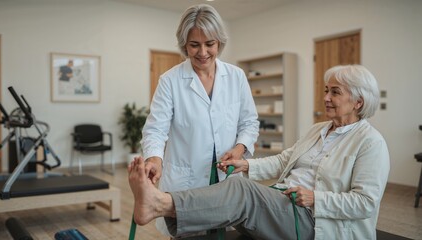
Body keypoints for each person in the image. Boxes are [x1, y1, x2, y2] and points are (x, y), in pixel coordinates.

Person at [129, 64, 390, 240]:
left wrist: (315, 198)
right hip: (284, 204)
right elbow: (285, 160)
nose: (326, 98)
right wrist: (246, 166)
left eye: (335, 92)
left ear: (359, 101)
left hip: (314, 221)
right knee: (227, 196)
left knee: (242, 192)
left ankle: (160, 204)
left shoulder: (370, 142)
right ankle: (166, 209)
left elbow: (366, 203)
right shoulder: (319, 130)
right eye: (326, 91)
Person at [140, 3, 259, 236]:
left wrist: (239, 147)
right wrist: (154, 159)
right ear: (184, 45)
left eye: (209, 44)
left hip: (224, 177)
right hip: (186, 180)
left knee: (223, 233)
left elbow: (249, 122)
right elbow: (155, 129)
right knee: (187, 234)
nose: (203, 52)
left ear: (219, 43)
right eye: (194, 45)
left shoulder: (236, 76)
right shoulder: (170, 80)